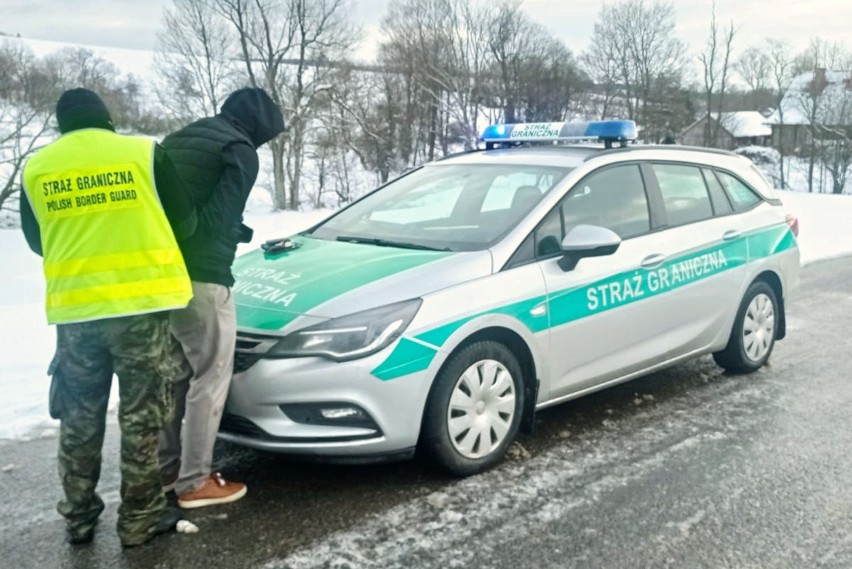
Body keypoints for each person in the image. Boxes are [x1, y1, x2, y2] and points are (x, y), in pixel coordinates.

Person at [20, 88, 198, 546]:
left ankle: (79, 518)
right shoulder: (142, 153)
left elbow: (37, 240)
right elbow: (185, 222)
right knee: (141, 417)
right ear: (106, 118)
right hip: (140, 309)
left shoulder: (38, 168)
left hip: (77, 314)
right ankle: (138, 522)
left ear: (62, 125)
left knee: (79, 419)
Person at [159, 87, 285, 509]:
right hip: (203, 277)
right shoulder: (239, 150)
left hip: (161, 274)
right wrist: (227, 233)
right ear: (259, 126)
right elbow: (215, 221)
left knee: (175, 374)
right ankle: (195, 482)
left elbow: (183, 205)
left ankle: (167, 470)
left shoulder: (181, 138)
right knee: (210, 377)